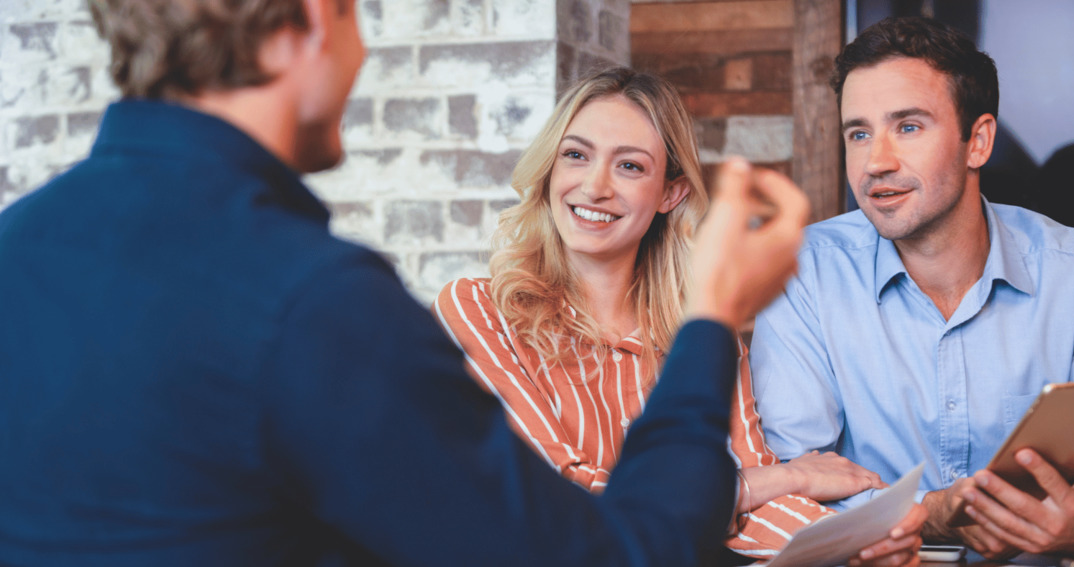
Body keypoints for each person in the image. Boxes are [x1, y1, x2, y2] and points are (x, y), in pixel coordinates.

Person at [0, 0, 927, 565]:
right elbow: (605, 553)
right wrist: (716, 312)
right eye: (357, 13)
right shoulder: (316, 305)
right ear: (306, 25)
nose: (361, 55)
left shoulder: (17, 248)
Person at [434, 67, 922, 564]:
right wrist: (786, 476)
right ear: (550, 170)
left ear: (672, 194)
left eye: (630, 167)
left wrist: (854, 545)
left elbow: (757, 507)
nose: (595, 187)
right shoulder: (477, 310)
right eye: (575, 156)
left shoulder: (706, 332)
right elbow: (564, 500)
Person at [749, 15, 1074, 560]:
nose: (876, 162)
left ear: (978, 141)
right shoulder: (801, 274)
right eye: (859, 133)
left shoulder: (1071, 273)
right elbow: (791, 485)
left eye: (907, 126)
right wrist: (933, 512)